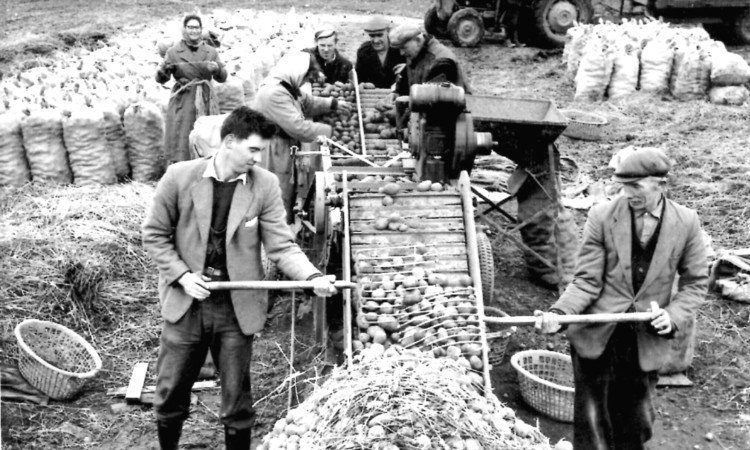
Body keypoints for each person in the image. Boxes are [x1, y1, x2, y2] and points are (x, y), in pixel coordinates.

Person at [142, 106, 338, 450]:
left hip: (235, 307)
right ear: (229, 142)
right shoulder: (179, 177)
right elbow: (154, 235)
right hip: (186, 302)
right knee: (170, 391)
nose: (259, 158)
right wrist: (183, 276)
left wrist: (312, 276)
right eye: (253, 149)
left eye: (261, 151)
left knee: (237, 399)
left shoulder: (264, 185)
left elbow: (281, 246)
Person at [534, 147, 708, 450]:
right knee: (592, 425)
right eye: (623, 185)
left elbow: (695, 284)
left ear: (660, 185)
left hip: (644, 337)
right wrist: (560, 313)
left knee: (635, 425)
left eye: (636, 186)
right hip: (596, 333)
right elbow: (586, 280)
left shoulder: (686, 222)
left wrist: (673, 316)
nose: (626, 193)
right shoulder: (602, 215)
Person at [251, 51, 351, 223]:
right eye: (305, 78)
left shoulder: (286, 87)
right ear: (296, 72)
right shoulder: (274, 94)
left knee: (285, 190)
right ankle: (274, 233)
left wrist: (333, 104)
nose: (305, 83)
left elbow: (307, 102)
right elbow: (299, 128)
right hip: (273, 149)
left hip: (283, 146)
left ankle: (282, 227)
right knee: (276, 192)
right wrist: (329, 131)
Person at [156, 14, 228, 164]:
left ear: (201, 30)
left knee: (207, 134)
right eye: (190, 27)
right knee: (183, 134)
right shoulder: (173, 52)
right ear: (184, 29)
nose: (193, 31)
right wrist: (162, 70)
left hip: (206, 98)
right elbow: (162, 79)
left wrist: (216, 70)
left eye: (197, 27)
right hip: (184, 98)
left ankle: (207, 166)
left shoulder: (211, 51)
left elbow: (223, 77)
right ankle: (183, 167)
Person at [389, 23, 471, 96]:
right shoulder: (415, 53)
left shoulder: (442, 62)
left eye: (404, 48)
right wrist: (397, 93)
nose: (401, 53)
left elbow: (437, 99)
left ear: (417, 40)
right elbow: (409, 79)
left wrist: (407, 105)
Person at [354, 16, 406, 89]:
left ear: (388, 32)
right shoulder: (363, 52)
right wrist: (363, 85)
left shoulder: (399, 49)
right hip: (371, 96)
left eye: (379, 35)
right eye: (372, 36)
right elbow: (358, 79)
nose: (376, 41)